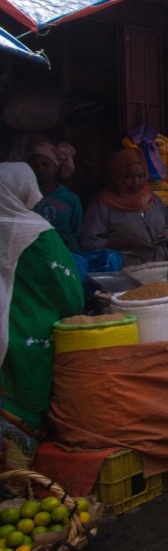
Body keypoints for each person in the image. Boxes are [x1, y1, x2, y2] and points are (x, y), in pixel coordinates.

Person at [0, 163, 84, 473]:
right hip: (31, 337)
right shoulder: (37, 233)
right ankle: (18, 478)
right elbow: (68, 289)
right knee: (26, 408)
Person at [80, 147, 168, 266]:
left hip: (159, 268)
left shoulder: (153, 200)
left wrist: (166, 234)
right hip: (124, 272)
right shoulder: (102, 205)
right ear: (117, 175)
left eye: (141, 176)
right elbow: (88, 243)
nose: (136, 182)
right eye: (129, 177)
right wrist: (126, 243)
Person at [27, 141, 81, 253]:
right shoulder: (22, 195)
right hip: (33, 254)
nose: (40, 168)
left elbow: (75, 231)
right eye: (34, 165)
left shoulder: (70, 199)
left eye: (45, 164)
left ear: (56, 167)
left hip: (66, 253)